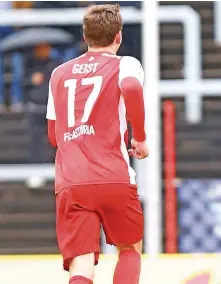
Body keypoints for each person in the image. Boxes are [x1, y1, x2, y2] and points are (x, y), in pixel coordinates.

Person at [46, 4, 148, 284]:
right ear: (119, 36)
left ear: (85, 35)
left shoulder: (59, 74)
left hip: (72, 180)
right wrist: (139, 137)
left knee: (81, 262)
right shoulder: (125, 63)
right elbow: (131, 87)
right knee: (129, 248)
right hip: (113, 175)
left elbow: (54, 136)